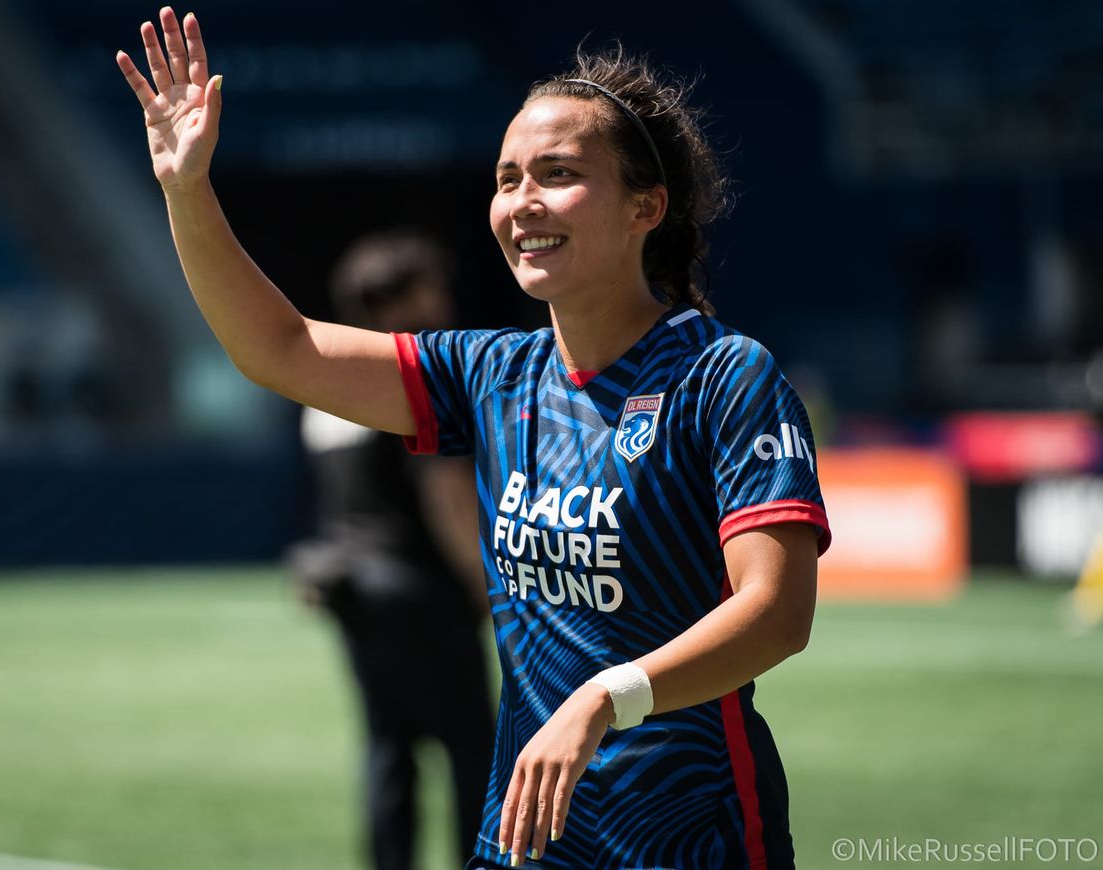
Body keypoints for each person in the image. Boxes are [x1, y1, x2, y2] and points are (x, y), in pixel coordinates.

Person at [117, 10, 831, 868]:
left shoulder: (726, 377)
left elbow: (776, 612)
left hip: (690, 842)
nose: (522, 202)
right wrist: (187, 190)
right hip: (524, 839)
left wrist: (607, 698)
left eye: (558, 174)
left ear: (646, 206)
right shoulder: (491, 374)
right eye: (506, 178)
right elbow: (280, 349)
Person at [290, 231, 494, 870]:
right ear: (393, 301)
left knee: (388, 744)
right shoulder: (415, 379)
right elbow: (446, 494)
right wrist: (483, 580)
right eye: (429, 289)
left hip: (353, 587)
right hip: (419, 584)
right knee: (472, 743)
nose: (443, 303)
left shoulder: (329, 383)